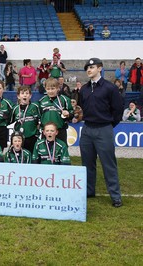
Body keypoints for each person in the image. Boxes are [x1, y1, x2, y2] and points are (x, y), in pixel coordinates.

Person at [79, 57, 123, 207]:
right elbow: (81, 108)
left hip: (104, 129)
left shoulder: (110, 88)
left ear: (100, 68)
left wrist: (109, 126)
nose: (89, 70)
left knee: (108, 164)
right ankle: (89, 190)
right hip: (87, 130)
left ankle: (115, 196)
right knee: (87, 163)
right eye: (87, 68)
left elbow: (117, 110)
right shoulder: (84, 89)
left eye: (92, 67)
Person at [38, 77, 73, 144]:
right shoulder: (41, 101)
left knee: (61, 151)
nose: (50, 91)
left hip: (60, 131)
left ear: (58, 88)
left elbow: (72, 113)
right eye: (48, 89)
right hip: (46, 132)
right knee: (45, 152)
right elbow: (39, 116)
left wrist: (68, 114)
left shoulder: (65, 99)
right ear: (45, 89)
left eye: (53, 88)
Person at [11, 85, 41, 153]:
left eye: (27, 93)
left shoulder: (35, 106)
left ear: (30, 96)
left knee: (31, 155)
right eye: (22, 93)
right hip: (19, 138)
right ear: (18, 96)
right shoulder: (15, 109)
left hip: (32, 137)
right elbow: (10, 121)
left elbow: (40, 120)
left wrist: (37, 132)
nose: (25, 95)